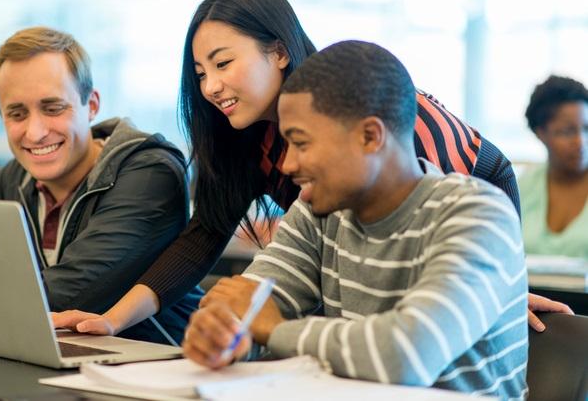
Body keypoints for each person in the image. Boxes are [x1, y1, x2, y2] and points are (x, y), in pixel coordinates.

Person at [53, 0, 569, 336]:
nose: (209, 86)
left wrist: (491, 281)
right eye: (200, 72)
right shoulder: (247, 136)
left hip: (471, 196)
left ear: (278, 52)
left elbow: (456, 206)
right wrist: (113, 319)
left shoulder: (365, 112)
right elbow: (205, 238)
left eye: (223, 63)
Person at [184, 40, 528, 399]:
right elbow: (251, 303)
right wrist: (227, 336)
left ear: (369, 137)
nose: (287, 165)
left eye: (301, 144)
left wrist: (273, 329)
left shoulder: (478, 214)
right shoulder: (319, 210)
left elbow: (405, 355)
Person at [0, 26, 201, 344]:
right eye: (17, 113)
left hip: (154, 375)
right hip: (45, 366)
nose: (35, 133)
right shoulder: (11, 180)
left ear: (91, 105)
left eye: (52, 108)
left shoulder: (148, 173)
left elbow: (71, 295)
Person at [519, 75, 588, 259]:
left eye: (587, 129)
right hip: (529, 288)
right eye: (567, 131)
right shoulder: (523, 186)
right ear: (541, 133)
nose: (580, 142)